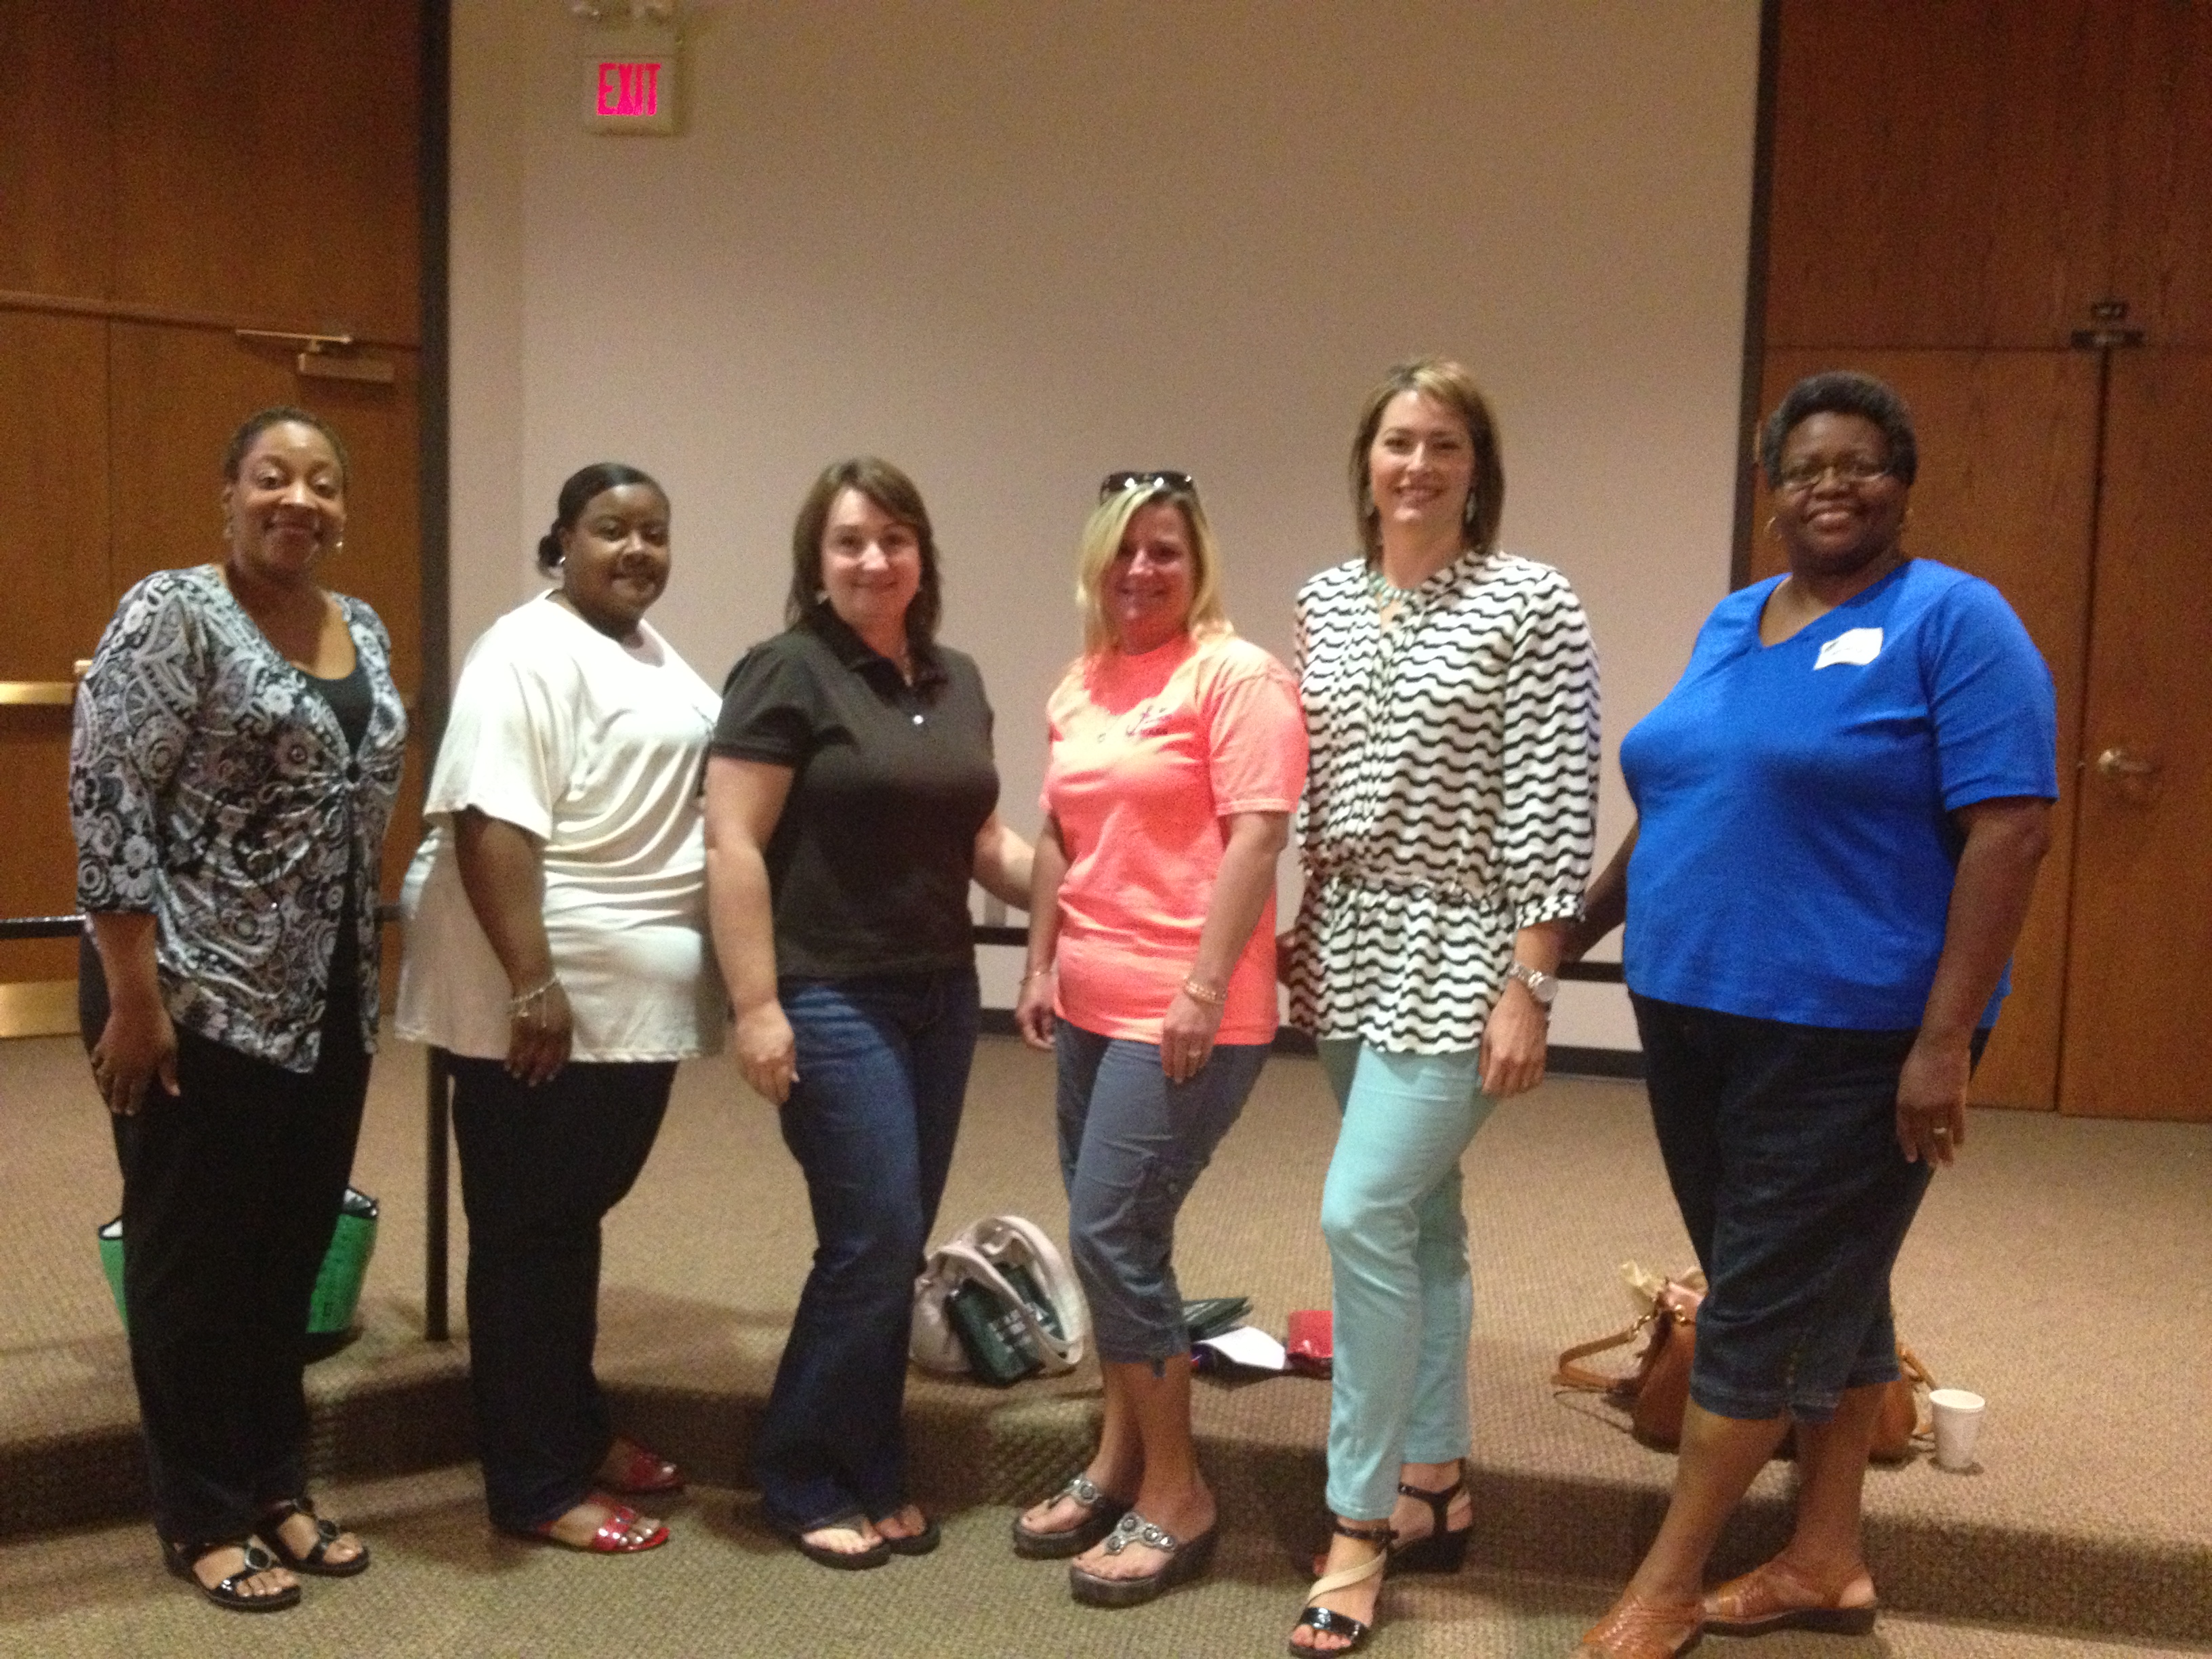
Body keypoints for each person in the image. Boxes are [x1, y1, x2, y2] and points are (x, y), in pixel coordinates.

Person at [1565, 371, 2057, 1659]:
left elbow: (2011, 828)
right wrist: (1572, 931)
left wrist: (1944, 1043)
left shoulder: (1955, 618)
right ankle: (1826, 1559)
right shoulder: (1736, 620)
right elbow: (1677, 799)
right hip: (1692, 1013)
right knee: (1811, 1280)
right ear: (1771, 486)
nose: (1832, 484)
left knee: (1758, 1304)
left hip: (1854, 1033)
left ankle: (1670, 1583)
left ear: (1904, 484)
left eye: (1863, 464)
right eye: (1807, 465)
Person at [1284, 359, 1601, 1654]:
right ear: (1366, 462)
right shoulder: (1324, 601)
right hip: (1349, 941)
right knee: (1422, 1226)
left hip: (1467, 948)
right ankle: (1437, 1479)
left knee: (1358, 1210)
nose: (1417, 466)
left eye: (1445, 446)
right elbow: (1312, 781)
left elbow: (1553, 799)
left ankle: (1356, 1526)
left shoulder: (1530, 603)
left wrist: (1532, 985)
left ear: (1479, 470)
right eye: (1398, 442)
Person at [70, 406, 406, 1612]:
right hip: (184, 998)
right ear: (229, 492)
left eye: (322, 483)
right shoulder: (175, 612)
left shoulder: (355, 625)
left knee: (284, 1260)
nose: (298, 501)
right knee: (190, 1264)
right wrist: (135, 997)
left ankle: (275, 1484)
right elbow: (107, 800)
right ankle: (201, 1512)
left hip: (323, 1004)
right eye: (273, 477)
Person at [705, 457, 1032, 1569]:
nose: (873, 560)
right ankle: (799, 1471)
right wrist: (755, 1004)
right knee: (873, 1236)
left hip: (941, 994)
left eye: (894, 539)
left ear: (921, 556)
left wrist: (1102, 889)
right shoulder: (784, 672)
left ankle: (872, 1464)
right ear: (817, 561)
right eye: (849, 542)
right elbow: (734, 842)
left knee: (886, 1249)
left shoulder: (956, 676)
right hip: (827, 992)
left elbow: (984, 842)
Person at [396, 462, 722, 1553]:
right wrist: (532, 982)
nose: (636, 550)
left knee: (565, 1226)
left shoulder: (648, 653)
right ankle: (533, 1484)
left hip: (627, 1006)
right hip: (542, 1006)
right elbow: (491, 821)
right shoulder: (523, 650)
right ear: (562, 541)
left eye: (655, 532)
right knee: (529, 1237)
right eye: (610, 529)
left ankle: (571, 1428)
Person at [1012, 471, 1307, 1608]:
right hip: (1088, 999)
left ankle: (1176, 1491)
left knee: (1114, 1234)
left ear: (1200, 562)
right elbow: (1057, 835)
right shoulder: (1083, 682)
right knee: (1109, 1242)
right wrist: (1038, 963)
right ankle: (1113, 1460)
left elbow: (1256, 839)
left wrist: (1196, 986)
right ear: (1097, 560)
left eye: (1167, 550)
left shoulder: (1236, 675)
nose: (1143, 570)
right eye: (1125, 550)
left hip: (1186, 1014)